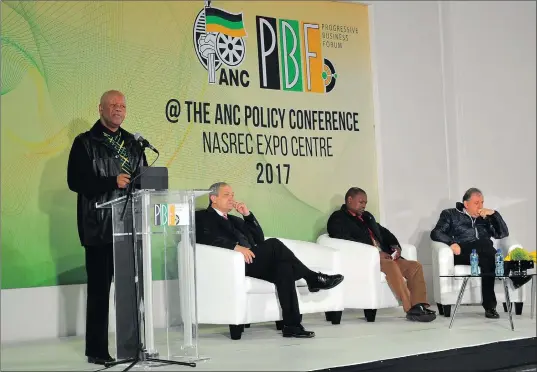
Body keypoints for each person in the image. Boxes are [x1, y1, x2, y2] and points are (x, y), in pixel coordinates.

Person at [195, 182, 344, 338]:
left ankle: (292, 326)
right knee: (274, 244)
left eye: (232, 195)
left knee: (284, 268)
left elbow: (259, 238)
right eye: (226, 195)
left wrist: (247, 215)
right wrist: (234, 247)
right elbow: (204, 237)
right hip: (233, 264)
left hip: (252, 261)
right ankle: (312, 278)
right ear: (213, 198)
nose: (232, 198)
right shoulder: (203, 217)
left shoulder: (235, 220)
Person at [67, 90, 146, 364]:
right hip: (99, 228)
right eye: (113, 105)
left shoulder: (134, 144)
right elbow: (76, 182)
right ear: (100, 108)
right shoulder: (85, 143)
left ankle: (133, 347)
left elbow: (143, 180)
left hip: (130, 226)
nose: (118, 109)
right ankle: (97, 351)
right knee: (100, 292)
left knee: (131, 291)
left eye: (122, 105)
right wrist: (111, 182)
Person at [327, 187, 436, 322]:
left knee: (415, 266)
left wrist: (395, 246)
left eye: (365, 203)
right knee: (391, 265)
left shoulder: (367, 217)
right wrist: (376, 253)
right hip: (368, 259)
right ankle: (410, 308)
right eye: (361, 202)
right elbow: (343, 238)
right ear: (349, 200)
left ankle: (419, 305)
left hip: (385, 257)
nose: (364, 206)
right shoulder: (338, 218)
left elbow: (385, 233)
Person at [430, 188, 509, 319]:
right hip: (463, 252)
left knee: (487, 260)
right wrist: (451, 242)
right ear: (466, 204)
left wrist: (494, 214)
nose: (481, 206)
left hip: (484, 254)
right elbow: (436, 232)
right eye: (476, 203)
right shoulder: (450, 214)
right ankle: (508, 269)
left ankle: (490, 307)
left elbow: (502, 233)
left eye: (482, 202)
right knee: (486, 246)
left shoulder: (485, 218)